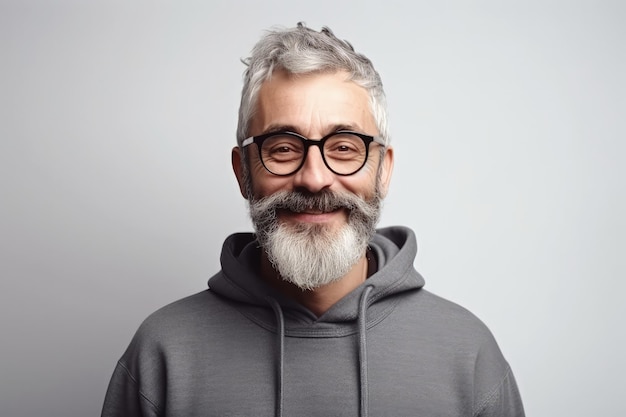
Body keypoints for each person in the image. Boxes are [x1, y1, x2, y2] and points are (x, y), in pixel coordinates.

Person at [101, 23, 525, 417]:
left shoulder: (467, 354)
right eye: (283, 148)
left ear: (383, 170)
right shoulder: (162, 354)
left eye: (344, 147)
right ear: (242, 171)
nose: (315, 178)